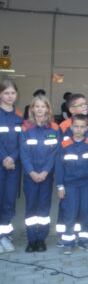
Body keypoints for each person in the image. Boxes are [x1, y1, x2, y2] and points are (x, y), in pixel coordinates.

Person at [57, 93, 88, 243]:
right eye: (81, 105)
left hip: (87, 177)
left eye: (85, 104)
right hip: (70, 179)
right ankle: (65, 237)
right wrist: (60, 184)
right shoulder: (63, 126)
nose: (85, 107)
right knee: (68, 208)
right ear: (71, 109)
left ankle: (84, 238)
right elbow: (60, 155)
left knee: (85, 208)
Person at [19, 95, 60, 252]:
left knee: (43, 208)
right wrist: (31, 171)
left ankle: (41, 239)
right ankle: (31, 239)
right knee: (31, 208)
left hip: (46, 175)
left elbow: (55, 152)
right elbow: (23, 152)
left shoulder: (54, 128)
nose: (40, 109)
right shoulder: (25, 127)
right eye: (37, 106)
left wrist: (45, 171)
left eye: (43, 106)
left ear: (48, 109)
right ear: (32, 109)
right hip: (30, 175)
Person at [0, 78, 23, 253]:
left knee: (8, 201)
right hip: (2, 164)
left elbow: (23, 141)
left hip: (14, 166)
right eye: (6, 92)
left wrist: (12, 158)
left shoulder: (20, 117)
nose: (9, 96)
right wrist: (4, 158)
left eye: (12, 93)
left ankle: (5, 236)